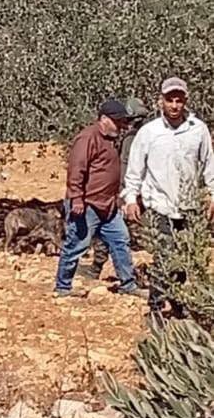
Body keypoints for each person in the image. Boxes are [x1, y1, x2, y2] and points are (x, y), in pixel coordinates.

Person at [122, 77, 214, 320]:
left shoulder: (198, 129)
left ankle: (178, 305)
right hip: (159, 206)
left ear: (185, 101)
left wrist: (212, 195)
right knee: (164, 256)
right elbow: (135, 169)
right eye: (169, 100)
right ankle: (156, 309)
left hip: (188, 206)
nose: (174, 105)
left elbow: (209, 165)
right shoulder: (149, 132)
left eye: (178, 100)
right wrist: (131, 198)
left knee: (184, 257)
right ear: (160, 101)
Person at [53, 99, 146, 299]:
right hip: (87, 205)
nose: (121, 125)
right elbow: (76, 170)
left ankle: (128, 284)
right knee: (76, 244)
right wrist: (77, 198)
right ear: (104, 119)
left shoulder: (112, 139)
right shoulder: (87, 138)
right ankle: (63, 287)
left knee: (121, 240)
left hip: (108, 206)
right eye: (117, 121)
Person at [81, 96, 149, 280]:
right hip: (141, 190)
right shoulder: (146, 134)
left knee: (110, 228)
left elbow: (126, 165)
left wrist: (124, 192)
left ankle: (101, 268)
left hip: (129, 192)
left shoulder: (131, 138)